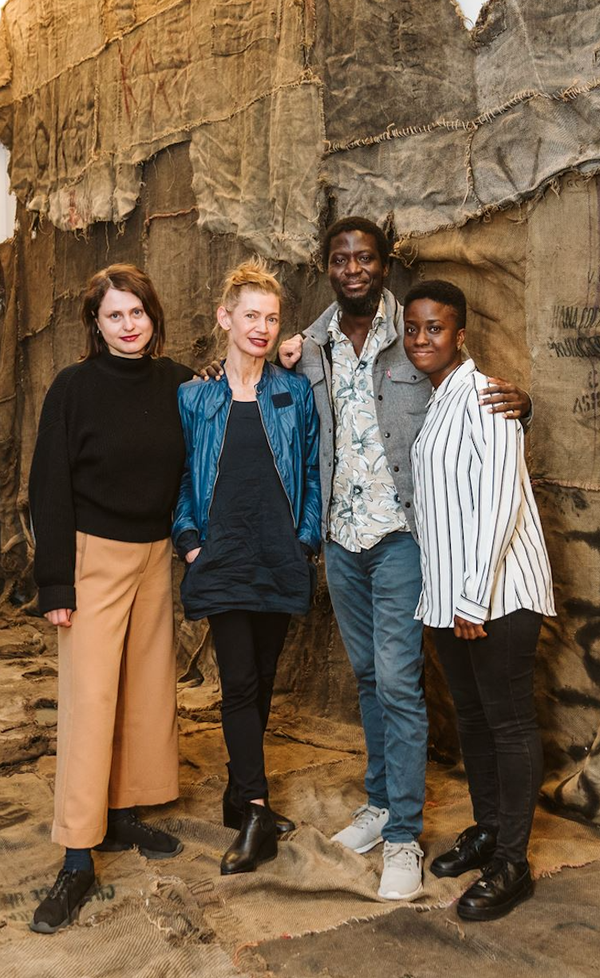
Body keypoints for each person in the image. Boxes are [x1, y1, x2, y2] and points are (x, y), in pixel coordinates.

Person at [276, 216, 533, 901]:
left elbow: (474, 399)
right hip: (342, 536)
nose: (353, 268)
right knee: (367, 678)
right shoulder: (312, 346)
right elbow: (265, 389)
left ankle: (403, 840)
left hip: (402, 539)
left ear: (385, 265)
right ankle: (383, 803)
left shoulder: (415, 333)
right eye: (341, 258)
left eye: (365, 257)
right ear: (326, 266)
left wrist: (524, 406)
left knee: (398, 682)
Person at [28, 264, 194, 934]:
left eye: (139, 313)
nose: (130, 325)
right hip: (92, 556)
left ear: (153, 316)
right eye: (115, 315)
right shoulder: (73, 388)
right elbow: (48, 486)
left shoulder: (179, 383)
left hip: (155, 554)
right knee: (90, 700)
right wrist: (56, 583)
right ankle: (76, 853)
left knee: (146, 689)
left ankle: (126, 814)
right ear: (95, 325)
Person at [403, 279, 555, 920]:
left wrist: (471, 599)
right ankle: (490, 828)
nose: (420, 339)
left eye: (434, 328)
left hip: (497, 598)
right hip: (453, 602)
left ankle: (513, 863)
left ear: (459, 334)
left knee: (509, 722)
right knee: (472, 718)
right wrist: (447, 600)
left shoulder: (487, 398)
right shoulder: (439, 400)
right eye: (412, 328)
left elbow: (496, 506)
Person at [172, 259, 320, 876]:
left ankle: (240, 795)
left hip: (278, 555)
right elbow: (178, 476)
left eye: (271, 318)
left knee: (260, 677)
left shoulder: (293, 392)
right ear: (224, 318)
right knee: (237, 682)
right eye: (250, 315)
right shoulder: (194, 396)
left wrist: (304, 541)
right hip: (223, 555)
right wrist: (189, 542)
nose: (260, 328)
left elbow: (312, 470)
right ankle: (257, 810)